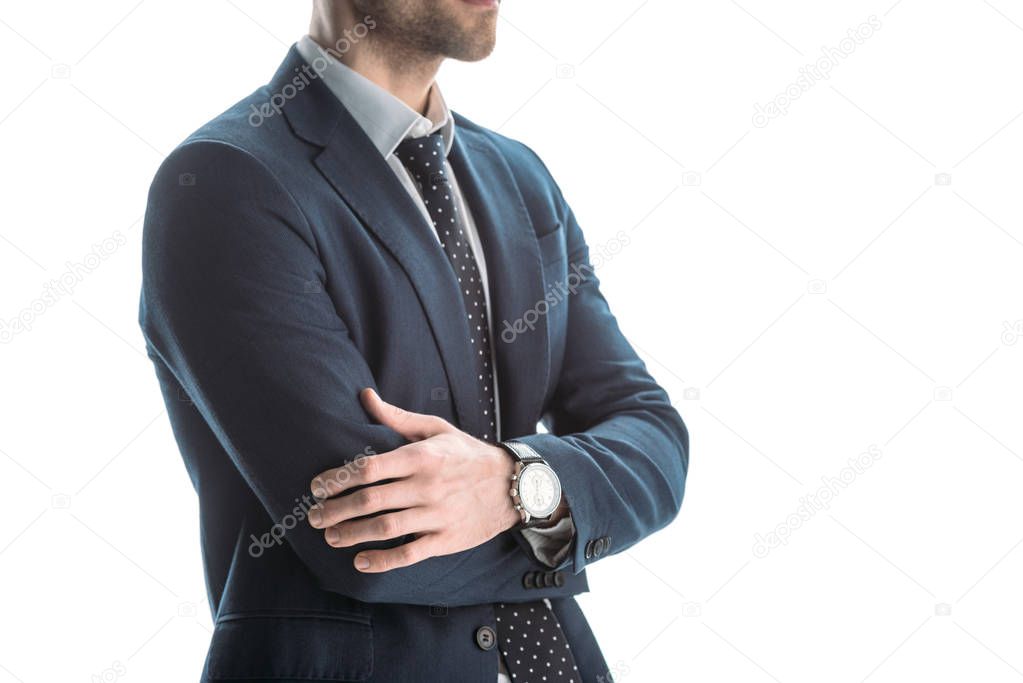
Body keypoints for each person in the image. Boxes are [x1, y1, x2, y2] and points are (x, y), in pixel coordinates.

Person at [138, 1, 689, 681]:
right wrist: (567, 499)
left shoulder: (518, 178)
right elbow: (367, 530)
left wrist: (517, 483)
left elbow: (655, 440)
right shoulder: (227, 183)